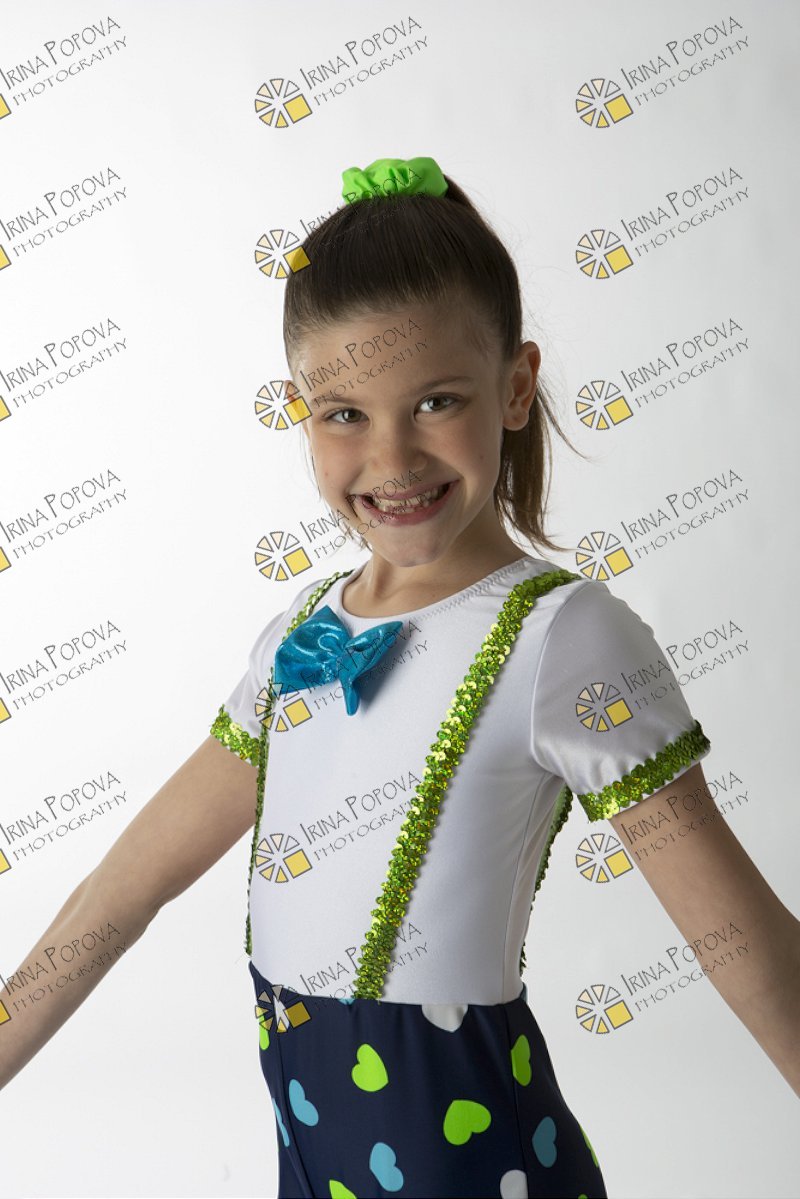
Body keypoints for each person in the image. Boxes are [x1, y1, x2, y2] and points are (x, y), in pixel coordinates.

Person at [2, 157, 798, 1199]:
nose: (391, 458)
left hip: (474, 1156)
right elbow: (123, 888)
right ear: (301, 412)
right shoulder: (300, 636)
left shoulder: (565, 637)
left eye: (434, 401)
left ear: (515, 387)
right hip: (312, 1153)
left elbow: (737, 940)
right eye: (343, 413)